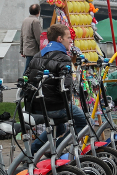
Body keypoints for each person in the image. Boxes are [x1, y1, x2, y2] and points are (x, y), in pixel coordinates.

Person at [24, 24, 87, 154]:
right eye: (68, 37)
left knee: (58, 128)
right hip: (54, 107)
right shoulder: (63, 58)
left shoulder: (37, 55)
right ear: (60, 39)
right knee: (84, 121)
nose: (71, 40)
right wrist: (68, 102)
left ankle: (33, 151)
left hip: (36, 106)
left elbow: (26, 77)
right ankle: (57, 149)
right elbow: (64, 87)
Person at [20, 4, 42, 75]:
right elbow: (39, 37)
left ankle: (25, 82)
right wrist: (43, 49)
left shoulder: (25, 20)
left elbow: (22, 36)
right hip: (33, 50)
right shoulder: (35, 21)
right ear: (38, 11)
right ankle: (23, 82)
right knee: (29, 69)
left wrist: (22, 50)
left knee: (29, 68)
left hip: (27, 49)